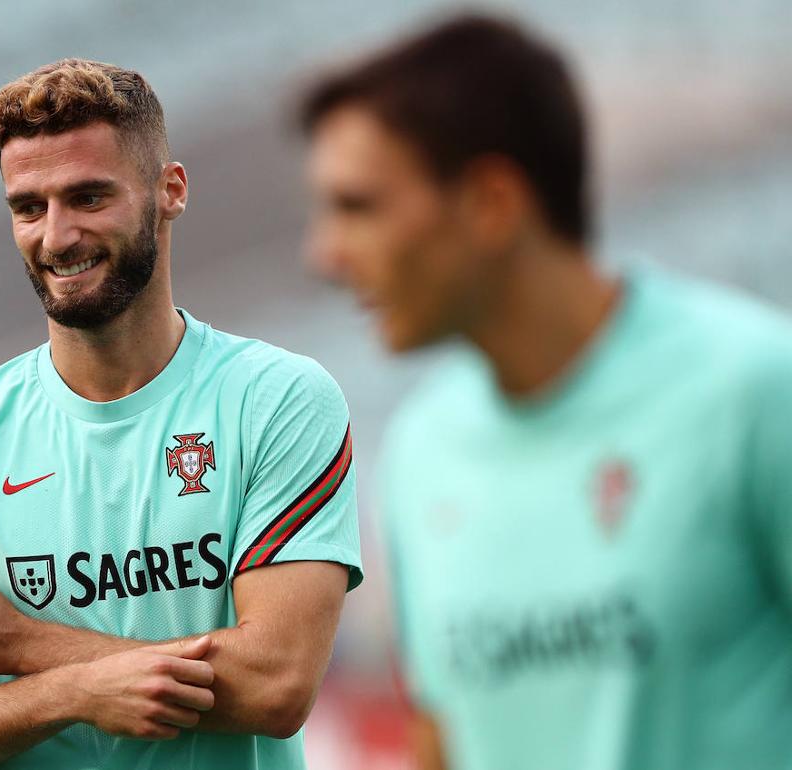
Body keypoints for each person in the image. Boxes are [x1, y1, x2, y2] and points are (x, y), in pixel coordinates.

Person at [300, 13, 792, 770]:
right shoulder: (421, 451)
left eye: (359, 206)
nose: (325, 256)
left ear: (493, 201)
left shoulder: (756, 387)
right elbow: (443, 744)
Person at [0, 58, 362, 770]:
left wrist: (26, 644)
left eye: (88, 197)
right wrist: (71, 692)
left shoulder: (277, 400)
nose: (56, 236)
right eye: (29, 207)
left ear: (169, 191)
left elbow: (274, 685)